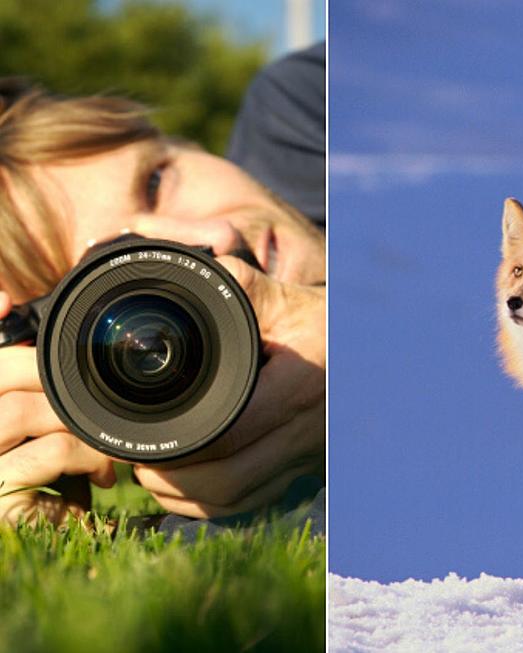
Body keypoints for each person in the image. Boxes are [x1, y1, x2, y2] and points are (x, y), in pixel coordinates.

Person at [0, 58, 325, 529]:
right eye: (134, 289)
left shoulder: (305, 105)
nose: (218, 234)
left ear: (185, 143)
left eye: (156, 181)